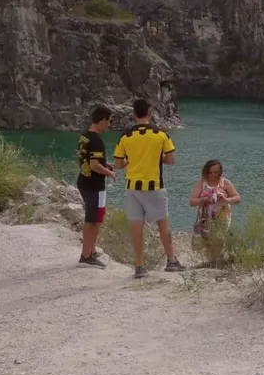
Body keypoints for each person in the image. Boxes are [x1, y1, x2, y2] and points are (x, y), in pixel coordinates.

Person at [112, 98, 185, 278]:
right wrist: (155, 158)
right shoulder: (161, 134)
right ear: (150, 113)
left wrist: (132, 160)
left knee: (137, 227)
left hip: (132, 187)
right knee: (163, 225)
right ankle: (171, 261)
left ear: (133, 114)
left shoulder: (125, 136)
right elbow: (171, 160)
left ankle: (139, 266)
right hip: (154, 186)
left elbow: (118, 164)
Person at [75, 105, 116, 268]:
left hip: (84, 182)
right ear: (102, 121)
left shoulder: (84, 136)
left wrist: (107, 165)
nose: (110, 124)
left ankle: (91, 250)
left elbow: (90, 160)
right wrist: (109, 173)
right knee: (92, 219)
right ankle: (86, 256)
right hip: (94, 185)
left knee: (98, 217)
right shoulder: (97, 140)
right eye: (110, 121)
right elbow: (94, 165)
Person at [189, 159, 240, 263]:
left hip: (222, 217)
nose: (213, 175)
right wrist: (204, 199)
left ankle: (218, 260)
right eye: (210, 172)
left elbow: (237, 198)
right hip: (205, 218)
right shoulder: (202, 183)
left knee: (219, 239)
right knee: (206, 240)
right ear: (206, 171)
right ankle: (211, 261)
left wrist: (226, 199)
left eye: (216, 172)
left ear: (220, 171)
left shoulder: (224, 183)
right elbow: (192, 201)